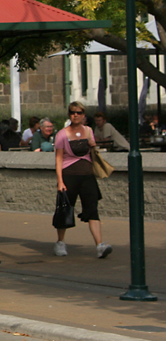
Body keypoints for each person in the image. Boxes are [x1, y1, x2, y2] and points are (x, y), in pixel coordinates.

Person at [53, 100, 111, 258]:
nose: (76, 115)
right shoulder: (62, 134)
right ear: (69, 115)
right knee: (65, 209)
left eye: (79, 113)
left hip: (87, 176)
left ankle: (100, 245)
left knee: (92, 210)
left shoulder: (88, 131)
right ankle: (60, 242)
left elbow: (91, 154)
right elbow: (58, 159)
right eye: (72, 112)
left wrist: (93, 145)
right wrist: (60, 181)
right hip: (69, 176)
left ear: (84, 115)